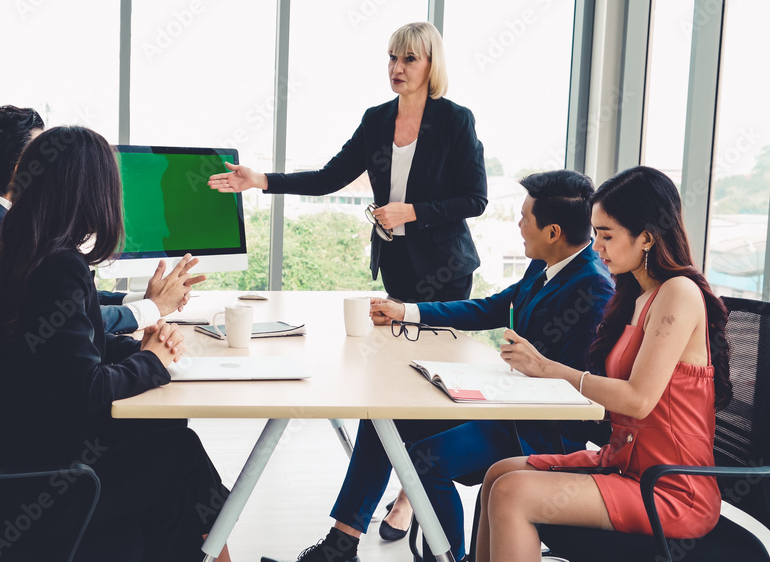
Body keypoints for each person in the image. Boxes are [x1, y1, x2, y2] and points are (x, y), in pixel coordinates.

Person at [264, 170, 614, 562]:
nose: (518, 225)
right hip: (505, 404)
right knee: (384, 417)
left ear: (552, 232)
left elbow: (572, 385)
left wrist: (523, 368)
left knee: (424, 461)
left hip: (533, 430)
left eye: (523, 217)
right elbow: (491, 307)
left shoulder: (593, 286)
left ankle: (448, 559)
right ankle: (341, 546)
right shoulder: (547, 264)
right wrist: (407, 311)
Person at [0, 126, 231, 561]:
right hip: (39, 484)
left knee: (170, 436)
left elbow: (67, 352)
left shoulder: (30, 251)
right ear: (90, 193)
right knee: (180, 456)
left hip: (19, 453)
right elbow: (86, 389)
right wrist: (154, 362)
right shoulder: (59, 268)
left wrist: (141, 349)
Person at [475, 166, 731, 562]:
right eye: (596, 234)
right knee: (498, 474)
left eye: (606, 235)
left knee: (512, 494)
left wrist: (549, 368)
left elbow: (638, 400)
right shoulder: (634, 294)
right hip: (625, 462)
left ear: (646, 236)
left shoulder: (678, 292)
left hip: (671, 488)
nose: (596, 247)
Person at [208, 22, 487, 303]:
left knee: (438, 346)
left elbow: (475, 199)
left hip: (445, 270)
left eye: (409, 59)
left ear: (431, 65)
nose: (396, 68)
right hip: (396, 263)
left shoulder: (455, 120)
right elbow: (327, 179)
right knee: (396, 346)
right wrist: (260, 180)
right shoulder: (376, 120)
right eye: (392, 57)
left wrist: (411, 212)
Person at [0, 105, 203, 394]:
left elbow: (66, 309)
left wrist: (142, 306)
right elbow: (65, 320)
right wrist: (151, 325)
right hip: (1, 397)